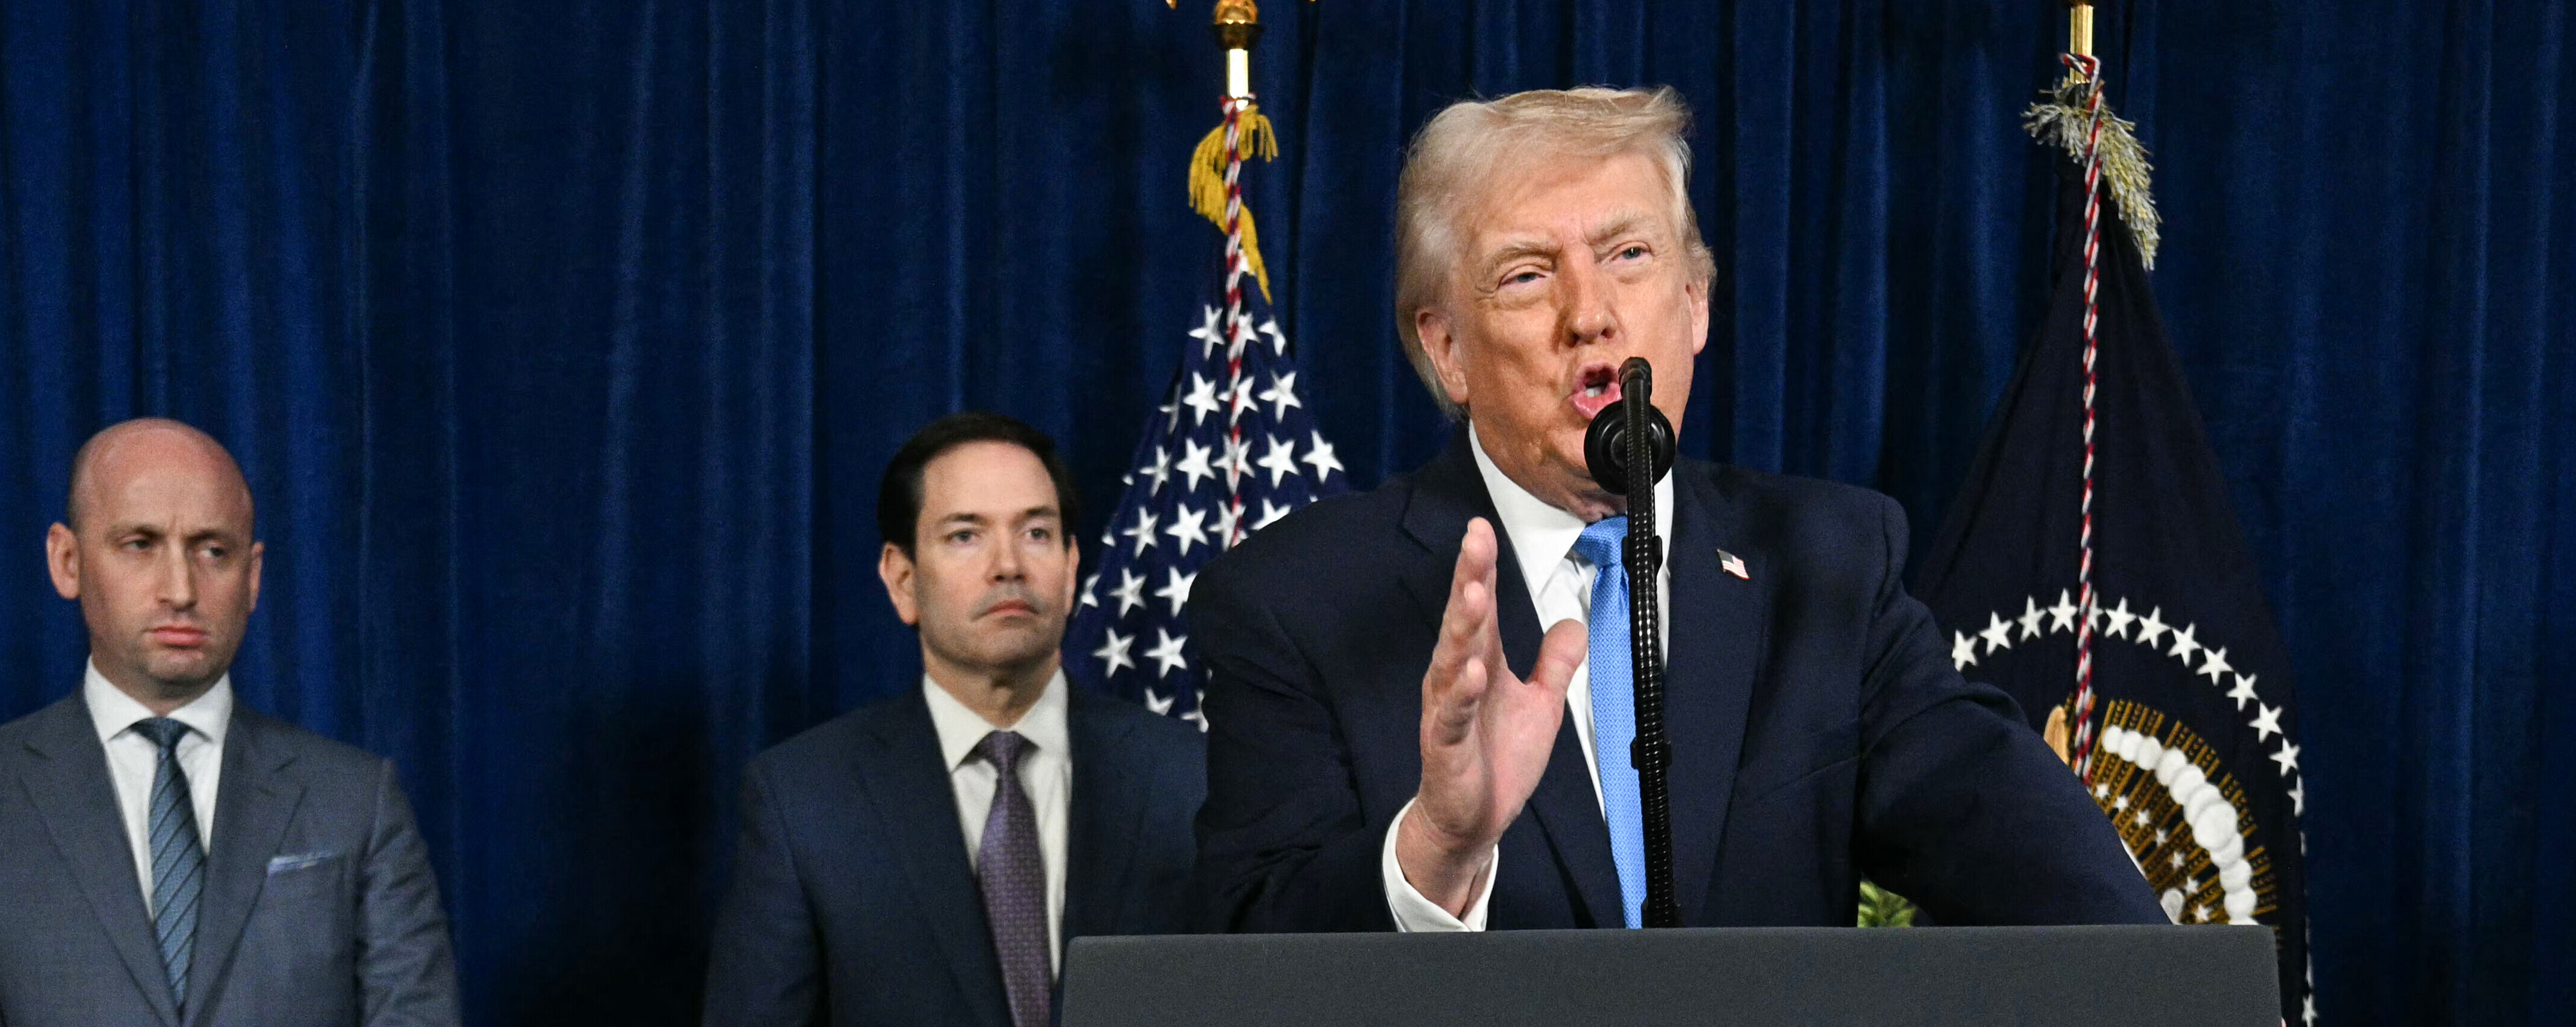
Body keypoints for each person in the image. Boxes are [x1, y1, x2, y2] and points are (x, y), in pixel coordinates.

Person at [1188, 86, 2155, 932]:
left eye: (1630, 254)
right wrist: (1435, 849)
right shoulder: (1301, 603)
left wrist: (2193, 997)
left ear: (1694, 303)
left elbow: (2003, 828)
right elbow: (1244, 963)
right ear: (1445, 351)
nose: (1590, 314)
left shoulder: (1827, 565)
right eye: (1527, 274)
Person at [0, 418, 461, 1027]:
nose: (180, 588)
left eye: (214, 551)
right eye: (140, 544)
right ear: (67, 560)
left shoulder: (358, 799)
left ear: (254, 576)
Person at [705, 412, 1206, 1027]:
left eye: (1038, 533)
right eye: (966, 534)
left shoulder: (1193, 775)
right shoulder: (803, 800)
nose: (1009, 565)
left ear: (1072, 567)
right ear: (903, 579)